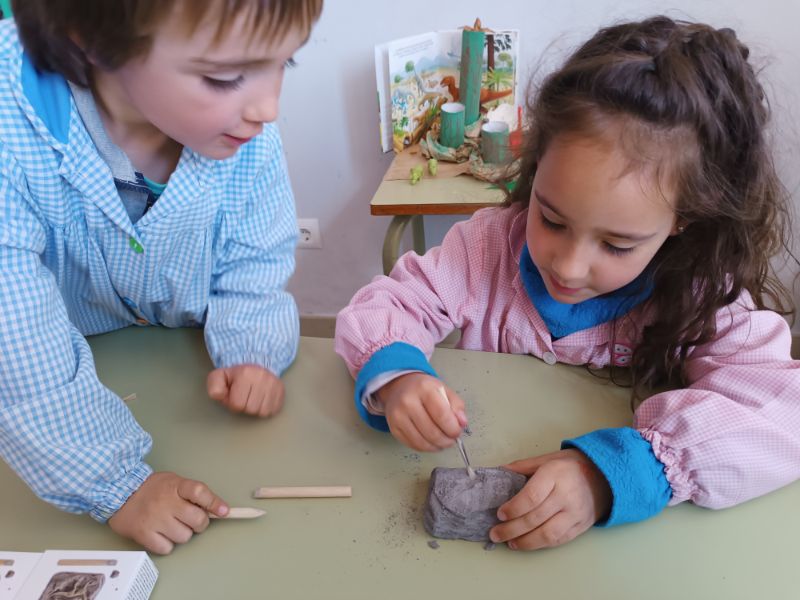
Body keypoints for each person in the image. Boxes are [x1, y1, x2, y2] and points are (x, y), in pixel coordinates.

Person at [335, 16, 800, 551]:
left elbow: (780, 413)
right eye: (552, 220)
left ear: (684, 219)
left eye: (617, 245)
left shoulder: (703, 297)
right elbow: (390, 305)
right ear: (537, 170)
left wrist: (618, 473)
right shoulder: (487, 247)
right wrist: (399, 378)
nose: (569, 267)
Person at [0, 0, 322, 554]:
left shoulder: (248, 139)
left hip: (177, 367)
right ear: (91, 39)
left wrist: (250, 349)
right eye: (224, 77)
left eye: (284, 63)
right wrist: (118, 486)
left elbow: (256, 260)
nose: (268, 108)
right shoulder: (11, 130)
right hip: (61, 383)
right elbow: (17, 343)